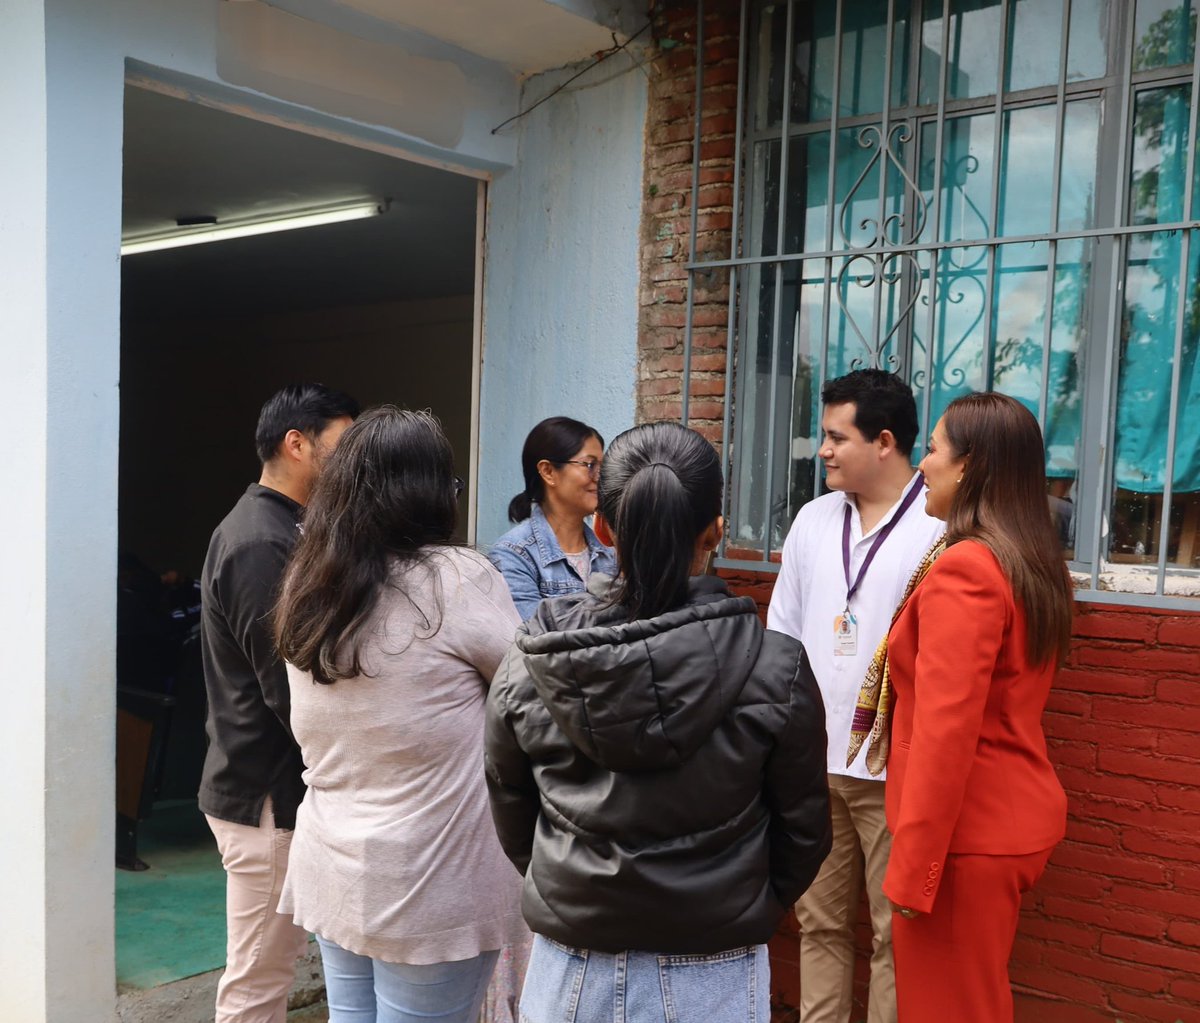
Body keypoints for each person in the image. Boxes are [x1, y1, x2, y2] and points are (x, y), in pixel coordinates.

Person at [485, 421, 832, 1023]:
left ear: (603, 528)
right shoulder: (776, 668)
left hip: (571, 968)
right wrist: (740, 904)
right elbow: (802, 833)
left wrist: (572, 890)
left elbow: (511, 807)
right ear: (715, 530)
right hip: (716, 966)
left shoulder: (534, 658)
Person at [274, 406, 525, 1023]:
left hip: (335, 865)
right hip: (432, 881)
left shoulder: (309, 583)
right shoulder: (456, 579)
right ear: (430, 494)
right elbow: (530, 694)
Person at [880, 392, 1071, 1022]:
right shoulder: (1027, 558)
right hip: (1000, 820)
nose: (922, 464)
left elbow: (945, 731)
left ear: (969, 466)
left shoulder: (968, 568)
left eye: (933, 449)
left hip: (964, 836)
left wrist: (915, 867)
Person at [767, 369, 944, 1023]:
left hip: (892, 770)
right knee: (817, 924)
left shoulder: (937, 525)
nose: (823, 450)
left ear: (885, 442)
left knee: (895, 934)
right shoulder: (813, 520)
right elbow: (781, 637)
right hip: (813, 765)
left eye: (837, 437)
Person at [198, 383, 358, 1023]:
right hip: (266, 795)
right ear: (297, 443)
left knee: (271, 970)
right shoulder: (260, 542)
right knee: (258, 984)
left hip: (278, 790)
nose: (352, 462)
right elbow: (286, 684)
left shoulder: (287, 527)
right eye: (342, 445)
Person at [488, 416, 617, 620]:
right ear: (548, 472)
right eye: (590, 465)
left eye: (603, 467)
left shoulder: (610, 551)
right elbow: (532, 633)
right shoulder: (513, 554)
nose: (600, 477)